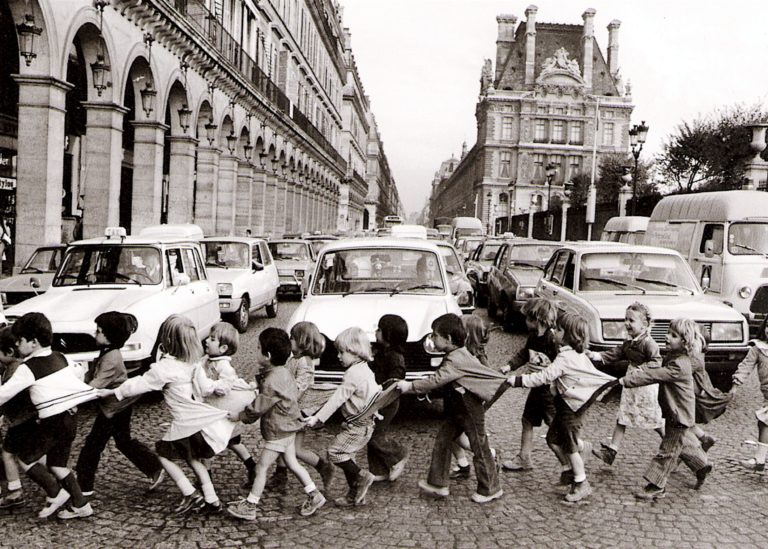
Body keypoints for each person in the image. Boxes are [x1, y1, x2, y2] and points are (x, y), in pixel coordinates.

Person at [100, 315, 233, 515]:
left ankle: (190, 494)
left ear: (167, 340)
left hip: (183, 421)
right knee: (193, 459)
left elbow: (139, 384)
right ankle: (212, 499)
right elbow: (206, 388)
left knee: (163, 456)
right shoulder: (193, 363)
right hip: (196, 419)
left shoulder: (165, 368)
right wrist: (223, 385)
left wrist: (112, 392)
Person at [506, 311, 616, 503]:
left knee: (568, 444)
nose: (554, 331)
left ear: (567, 335)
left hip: (572, 408)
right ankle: (571, 467)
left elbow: (545, 376)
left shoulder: (566, 358)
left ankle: (581, 482)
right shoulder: (572, 354)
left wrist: (518, 381)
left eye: (558, 329)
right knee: (552, 439)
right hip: (566, 405)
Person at [396, 314, 505, 504]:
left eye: (435, 335)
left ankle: (490, 488)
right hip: (458, 409)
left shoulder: (456, 359)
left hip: (468, 409)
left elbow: (437, 379)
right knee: (443, 441)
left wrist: (410, 386)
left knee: (479, 447)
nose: (432, 339)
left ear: (447, 339)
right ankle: (438, 483)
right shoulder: (456, 355)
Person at [0, 312, 99, 519]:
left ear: (33, 342)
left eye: (20, 341)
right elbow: (79, 373)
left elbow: (4, 394)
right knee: (58, 464)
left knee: (26, 458)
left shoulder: (28, 368)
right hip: (70, 419)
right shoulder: (61, 357)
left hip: (52, 421)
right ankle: (81, 505)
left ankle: (56, 493)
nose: (17, 345)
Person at [228, 328, 325, 520]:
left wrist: (239, 416)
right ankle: (314, 494)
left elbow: (258, 407)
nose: (255, 351)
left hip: (278, 431)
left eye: (257, 348)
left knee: (261, 467)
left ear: (268, 355)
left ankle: (251, 505)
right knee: (292, 463)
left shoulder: (272, 381)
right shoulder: (283, 371)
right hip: (289, 428)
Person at [619, 318, 712, 500]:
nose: (667, 337)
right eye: (668, 333)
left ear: (685, 342)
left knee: (667, 451)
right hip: (673, 412)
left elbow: (656, 375)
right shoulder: (673, 357)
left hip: (679, 416)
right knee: (678, 445)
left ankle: (657, 485)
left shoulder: (679, 364)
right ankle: (701, 466)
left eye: (673, 335)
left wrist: (627, 380)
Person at [75, 312, 164, 497]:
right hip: (117, 406)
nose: (95, 334)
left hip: (114, 408)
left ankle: (83, 487)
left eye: (98, 331)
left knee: (93, 445)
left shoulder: (112, 358)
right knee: (123, 442)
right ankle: (154, 467)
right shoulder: (107, 352)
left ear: (110, 337)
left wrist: (74, 395)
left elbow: (95, 386)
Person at [303, 327, 381, 507]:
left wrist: (317, 418)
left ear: (355, 353)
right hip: (364, 424)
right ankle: (354, 495)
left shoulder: (352, 374)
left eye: (342, 352)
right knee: (349, 457)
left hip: (358, 426)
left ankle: (362, 476)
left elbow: (337, 399)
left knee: (335, 452)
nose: (338, 356)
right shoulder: (365, 369)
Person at [587, 302, 664, 466]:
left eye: (632, 321)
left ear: (645, 325)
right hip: (632, 383)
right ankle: (611, 451)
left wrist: (642, 369)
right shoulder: (629, 342)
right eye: (626, 319)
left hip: (646, 385)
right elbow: (615, 353)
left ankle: (676, 448)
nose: (627, 324)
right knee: (623, 416)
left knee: (654, 420)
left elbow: (657, 362)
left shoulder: (649, 343)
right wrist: (594, 355)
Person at [265, 321, 335, 493]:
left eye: (292, 338)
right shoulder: (294, 359)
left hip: (298, 412)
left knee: (294, 449)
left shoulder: (304, 362)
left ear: (301, 341)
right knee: (285, 444)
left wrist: (283, 394)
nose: (290, 342)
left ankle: (323, 467)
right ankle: (280, 475)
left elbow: (299, 387)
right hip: (290, 410)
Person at [194, 322, 257, 489]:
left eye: (212, 339)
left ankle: (251, 467)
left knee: (229, 441)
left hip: (223, 410)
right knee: (223, 440)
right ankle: (206, 476)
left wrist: (212, 386)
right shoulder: (206, 360)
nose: (207, 341)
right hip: (211, 410)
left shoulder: (224, 365)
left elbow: (225, 386)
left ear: (222, 348)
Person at [500, 298, 560, 472]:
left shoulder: (552, 340)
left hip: (549, 393)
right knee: (527, 421)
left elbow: (560, 365)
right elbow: (523, 354)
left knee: (555, 426)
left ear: (537, 320)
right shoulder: (533, 338)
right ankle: (524, 458)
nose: (524, 322)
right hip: (536, 390)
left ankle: (575, 451)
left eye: (527, 318)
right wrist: (509, 366)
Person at [450, 315, 498, 480]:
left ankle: (490, 455)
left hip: (468, 405)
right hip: (458, 403)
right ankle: (463, 465)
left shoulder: (473, 357)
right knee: (451, 436)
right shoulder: (467, 354)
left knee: (462, 438)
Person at [367, 315, 409, 482]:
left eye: (379, 330)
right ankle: (379, 470)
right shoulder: (382, 352)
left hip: (387, 401)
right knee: (372, 431)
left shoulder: (395, 358)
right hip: (377, 398)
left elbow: (393, 384)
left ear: (388, 335)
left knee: (374, 434)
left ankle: (398, 453)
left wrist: (382, 399)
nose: (376, 332)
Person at [730, 316, 768, 471]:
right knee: (763, 423)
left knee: (765, 423)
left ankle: (759, 460)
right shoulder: (758, 349)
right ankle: (759, 460)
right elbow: (746, 366)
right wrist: (735, 384)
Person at [0, 326, 31, 510]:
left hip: (21, 421)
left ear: (10, 352)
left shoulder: (13, 370)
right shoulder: (18, 366)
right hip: (25, 420)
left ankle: (15, 491)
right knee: (33, 455)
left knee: (9, 453)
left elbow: (9, 398)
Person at [689, 324, 730, 451]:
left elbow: (680, 371)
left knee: (683, 424)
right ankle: (704, 439)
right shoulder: (697, 355)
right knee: (685, 423)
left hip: (693, 395)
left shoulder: (695, 358)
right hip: (691, 394)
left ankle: (696, 450)